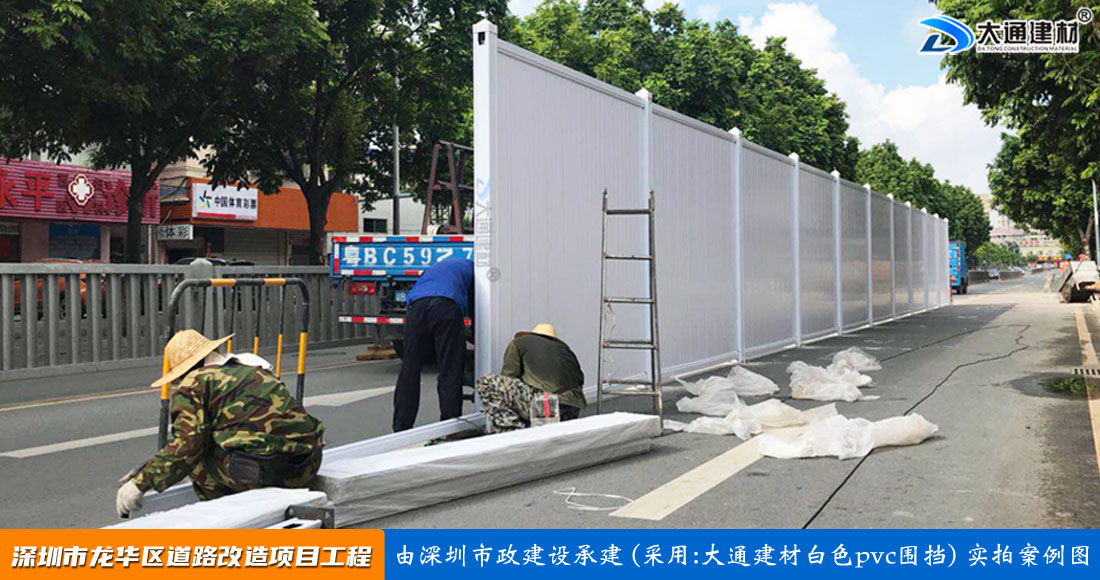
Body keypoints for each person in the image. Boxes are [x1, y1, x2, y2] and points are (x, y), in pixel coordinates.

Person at [115, 329, 325, 518]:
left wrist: (141, 483)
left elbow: (188, 446)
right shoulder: (254, 369)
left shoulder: (193, 384)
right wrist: (152, 466)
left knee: (197, 461)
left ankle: (224, 514)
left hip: (267, 472)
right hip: (307, 464)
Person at [393, 257, 474, 431]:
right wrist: (476, 338)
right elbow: (476, 308)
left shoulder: (436, 268)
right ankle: (450, 425)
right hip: (446, 305)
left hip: (415, 307)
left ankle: (401, 426)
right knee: (450, 367)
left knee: (410, 368)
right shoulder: (475, 271)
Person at [475, 323, 585, 432]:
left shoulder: (519, 343)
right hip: (572, 409)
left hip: (546, 404)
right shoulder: (565, 350)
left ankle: (512, 431)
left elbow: (508, 377)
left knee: (486, 383)